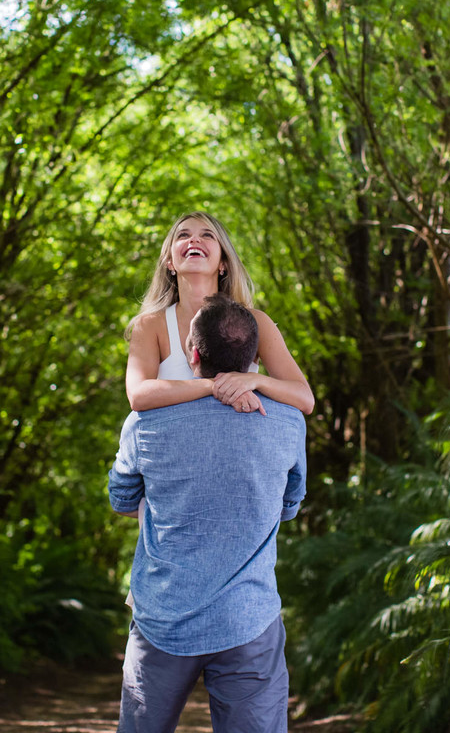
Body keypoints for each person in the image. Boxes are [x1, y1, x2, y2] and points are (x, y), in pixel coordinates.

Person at [109, 294, 307, 733]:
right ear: (255, 359)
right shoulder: (289, 422)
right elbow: (289, 504)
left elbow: (121, 498)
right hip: (249, 617)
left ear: (193, 355)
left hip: (163, 615)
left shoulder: (145, 424)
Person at [125, 212, 314, 417]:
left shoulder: (256, 322)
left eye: (207, 235)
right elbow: (138, 395)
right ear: (169, 262)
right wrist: (213, 385)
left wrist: (255, 381)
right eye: (183, 235)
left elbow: (305, 399)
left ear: (223, 262)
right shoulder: (150, 325)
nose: (194, 239)